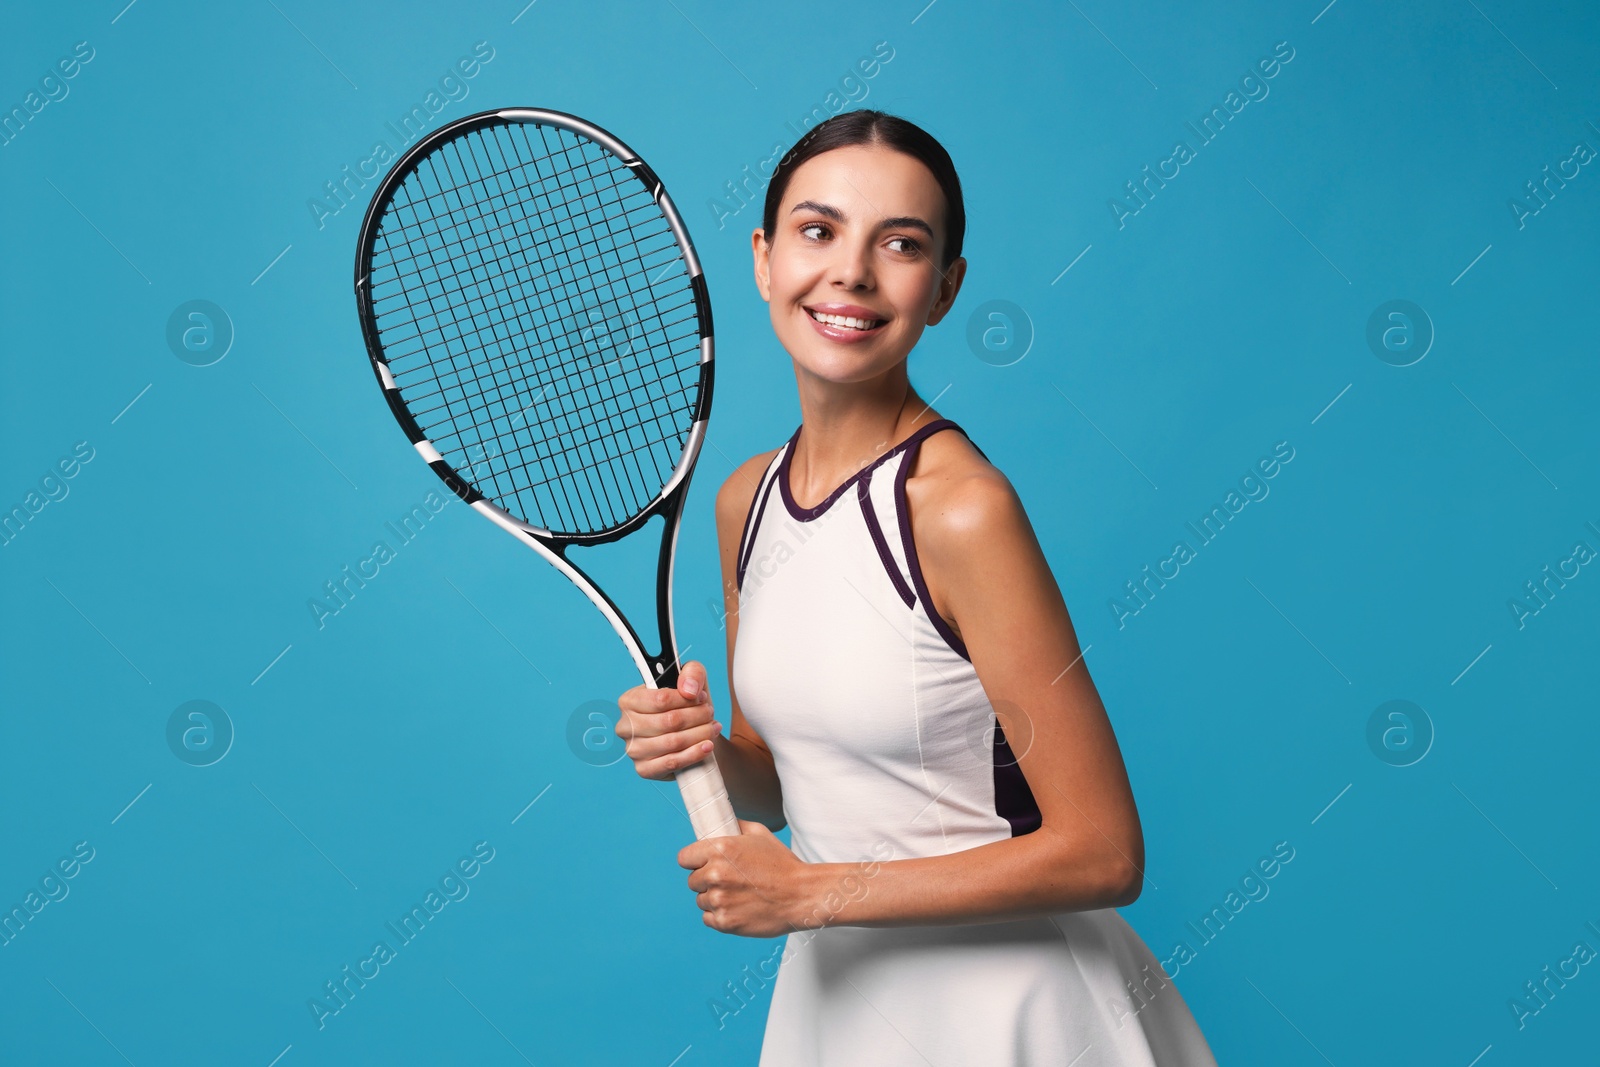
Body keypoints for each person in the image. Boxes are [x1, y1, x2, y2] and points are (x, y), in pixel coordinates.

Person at [615, 109, 1219, 1066]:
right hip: (843, 1010)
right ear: (765, 259)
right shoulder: (747, 501)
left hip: (1018, 1014)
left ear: (945, 289)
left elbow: (1106, 852)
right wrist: (704, 753)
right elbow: (783, 780)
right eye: (818, 231)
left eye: (901, 244)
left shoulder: (960, 510)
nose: (851, 271)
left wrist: (812, 895)